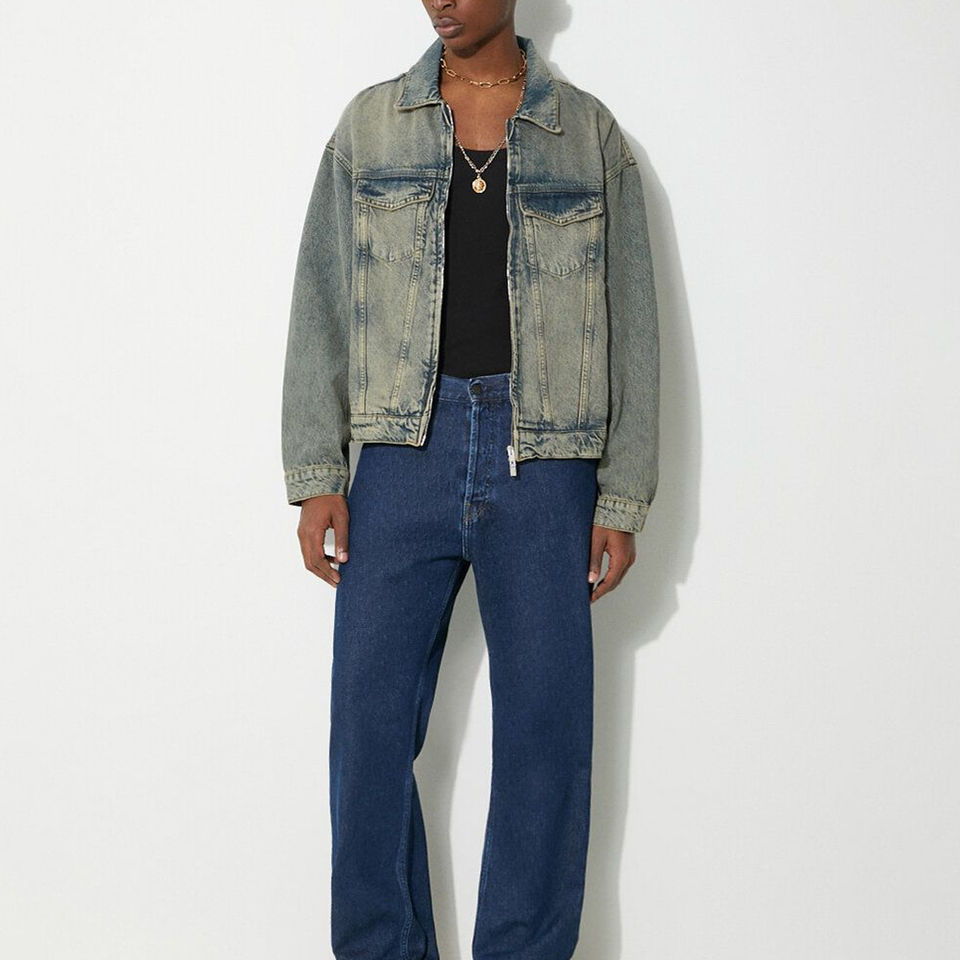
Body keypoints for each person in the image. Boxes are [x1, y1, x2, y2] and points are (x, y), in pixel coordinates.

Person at [281, 2, 659, 957]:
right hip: (401, 452)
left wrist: (622, 494)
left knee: (544, 737)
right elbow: (321, 299)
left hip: (548, 460)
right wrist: (317, 470)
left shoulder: (587, 135)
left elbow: (633, 321)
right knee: (367, 728)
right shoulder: (372, 125)